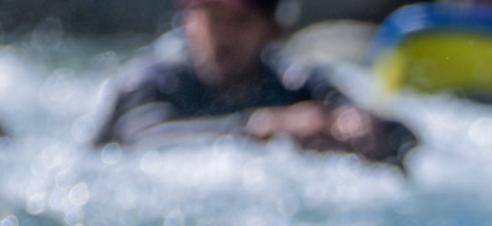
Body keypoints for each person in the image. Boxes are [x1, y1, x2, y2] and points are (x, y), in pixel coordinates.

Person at [92, 0, 417, 166]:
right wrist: (257, 127)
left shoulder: (289, 82)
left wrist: (361, 128)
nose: (223, 36)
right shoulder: (150, 81)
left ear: (272, 31)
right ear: (190, 18)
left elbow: (405, 136)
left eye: (241, 21)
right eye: (213, 18)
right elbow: (144, 141)